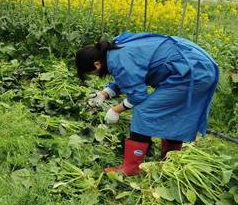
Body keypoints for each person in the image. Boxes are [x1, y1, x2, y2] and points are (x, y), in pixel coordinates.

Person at [75, 31, 219, 176]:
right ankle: (170, 160)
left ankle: (131, 168)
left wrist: (116, 110)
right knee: (172, 111)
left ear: (97, 64)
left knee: (144, 110)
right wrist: (104, 94)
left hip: (193, 71)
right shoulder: (115, 51)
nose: (94, 75)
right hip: (195, 62)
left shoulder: (119, 59)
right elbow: (128, 77)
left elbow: (137, 95)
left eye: (91, 73)